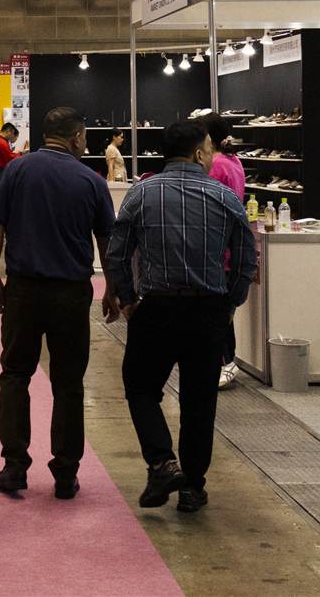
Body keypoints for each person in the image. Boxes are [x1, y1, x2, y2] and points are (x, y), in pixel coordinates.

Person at [106, 121, 257, 515]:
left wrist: (127, 299)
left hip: (155, 307)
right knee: (199, 400)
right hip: (208, 311)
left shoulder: (142, 193)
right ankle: (192, 486)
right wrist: (230, 303)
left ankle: (161, 462)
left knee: (140, 388)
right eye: (209, 148)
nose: (212, 154)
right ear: (197, 153)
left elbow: (117, 252)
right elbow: (245, 259)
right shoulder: (225, 197)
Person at [0, 107, 115, 500]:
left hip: (23, 290)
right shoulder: (91, 181)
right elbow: (107, 241)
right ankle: (65, 471)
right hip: (72, 294)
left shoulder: (17, 171)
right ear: (76, 137)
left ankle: (14, 466)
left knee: (15, 375)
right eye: (85, 136)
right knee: (69, 383)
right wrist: (112, 286)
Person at [203, 116, 248, 390]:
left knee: (217, 312)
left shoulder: (217, 164)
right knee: (222, 309)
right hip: (229, 244)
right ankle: (224, 360)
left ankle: (225, 361)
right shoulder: (234, 162)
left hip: (219, 247)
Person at [0, 122, 19, 196]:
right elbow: (10, 158)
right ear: (9, 131)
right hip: (1, 171)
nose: (11, 137)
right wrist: (21, 154)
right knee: (0, 195)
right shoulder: (1, 142)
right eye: (12, 134)